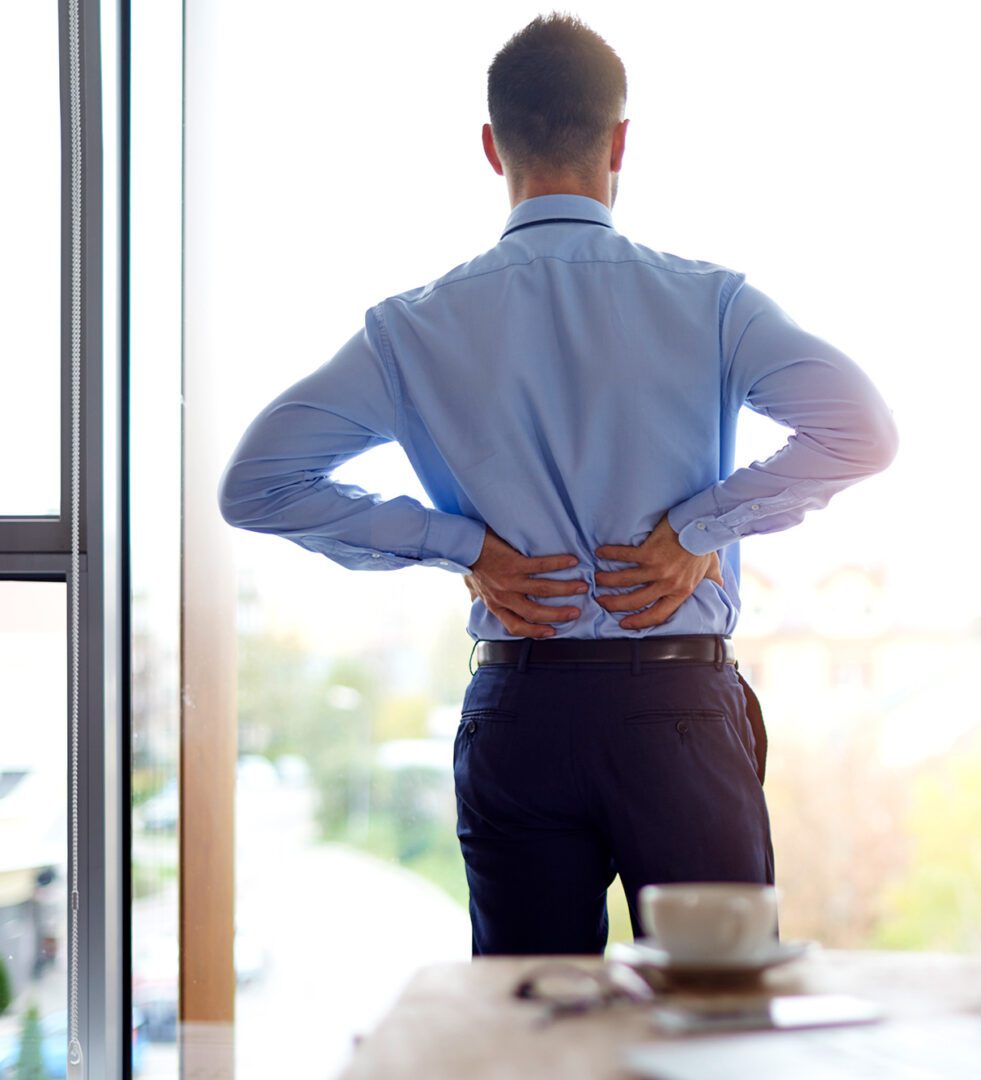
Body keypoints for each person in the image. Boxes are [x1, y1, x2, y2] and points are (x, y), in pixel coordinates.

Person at [217, 13, 897, 955]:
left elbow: (256, 484)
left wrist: (461, 548)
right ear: (621, 142)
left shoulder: (413, 328)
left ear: (492, 148)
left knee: (528, 1031)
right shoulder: (710, 303)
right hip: (679, 715)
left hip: (521, 716)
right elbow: (860, 428)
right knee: (719, 1019)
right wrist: (697, 530)